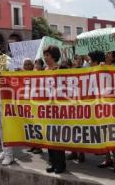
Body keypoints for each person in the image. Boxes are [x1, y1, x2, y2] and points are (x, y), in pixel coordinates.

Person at [43, 45, 66, 174]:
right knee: (49, 137)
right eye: (45, 55)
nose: (45, 58)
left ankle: (61, 164)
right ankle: (52, 162)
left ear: (54, 56)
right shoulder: (44, 69)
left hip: (58, 108)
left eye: (47, 55)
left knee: (58, 138)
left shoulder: (61, 69)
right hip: (47, 108)